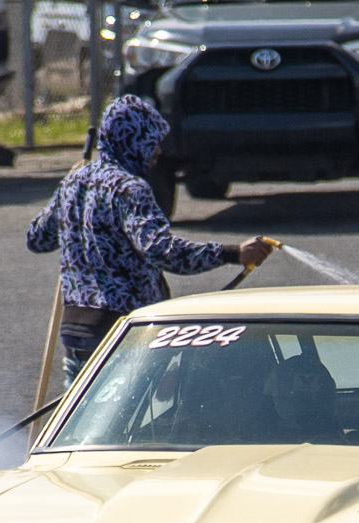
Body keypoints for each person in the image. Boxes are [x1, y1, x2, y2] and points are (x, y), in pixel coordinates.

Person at [26, 95, 274, 386]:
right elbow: (162, 250)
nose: (158, 151)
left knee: (83, 411)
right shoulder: (130, 189)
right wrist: (232, 253)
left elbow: (37, 238)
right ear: (132, 140)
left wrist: (67, 187)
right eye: (151, 142)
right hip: (122, 330)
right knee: (132, 413)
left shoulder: (74, 182)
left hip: (76, 331)